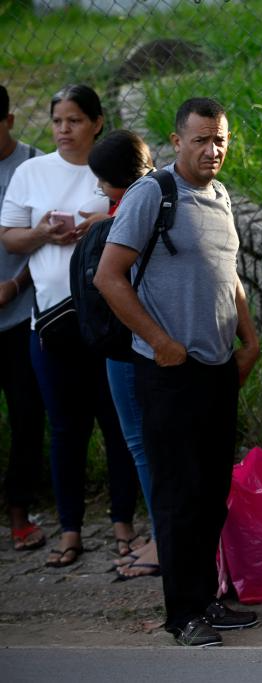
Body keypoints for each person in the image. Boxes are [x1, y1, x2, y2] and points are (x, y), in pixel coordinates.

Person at [95, 98, 261, 647]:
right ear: (176, 141)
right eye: (201, 140)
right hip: (169, 370)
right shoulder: (152, 194)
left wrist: (250, 339)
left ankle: (206, 601)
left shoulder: (220, 196)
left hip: (215, 367)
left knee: (212, 493)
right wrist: (159, 341)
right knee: (177, 494)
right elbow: (109, 277)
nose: (212, 150)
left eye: (220, 140)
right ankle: (181, 614)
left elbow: (229, 272)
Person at [0, 84, 139, 568]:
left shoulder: (115, 169)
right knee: (65, 429)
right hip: (52, 323)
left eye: (75, 120)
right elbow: (11, 238)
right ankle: (70, 530)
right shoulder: (31, 172)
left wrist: (98, 228)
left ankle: (124, 524)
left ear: (97, 122)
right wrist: (44, 232)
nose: (64, 129)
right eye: (58, 120)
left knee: (117, 424)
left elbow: (138, 220)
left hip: (110, 321)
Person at [86, 130, 161, 579]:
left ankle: (160, 540)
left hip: (130, 344)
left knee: (142, 444)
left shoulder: (127, 212)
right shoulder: (161, 195)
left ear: (114, 181)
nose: (99, 190)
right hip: (150, 343)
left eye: (101, 181)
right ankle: (161, 536)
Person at [0, 84, 46, 552]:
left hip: (20, 316)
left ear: (10, 120)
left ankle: (20, 511)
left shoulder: (33, 166)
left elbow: (52, 238)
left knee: (28, 416)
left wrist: (14, 286)